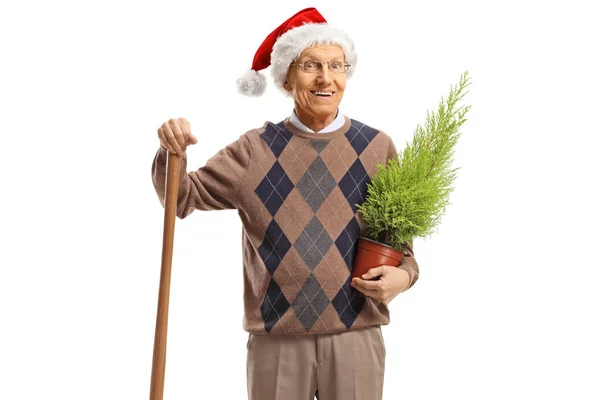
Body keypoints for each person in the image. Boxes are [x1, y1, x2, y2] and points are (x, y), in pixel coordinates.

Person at [151, 7, 419, 400]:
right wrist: (169, 151)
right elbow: (180, 197)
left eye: (336, 65)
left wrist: (405, 276)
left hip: (356, 335)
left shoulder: (377, 148)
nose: (326, 78)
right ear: (286, 77)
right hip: (276, 340)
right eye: (311, 65)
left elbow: (401, 245)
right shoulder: (253, 152)